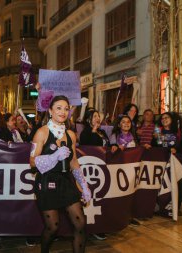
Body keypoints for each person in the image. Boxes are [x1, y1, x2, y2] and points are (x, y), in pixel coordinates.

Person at [30, 95, 91, 253]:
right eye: (59, 108)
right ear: (50, 111)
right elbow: (31, 161)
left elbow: (74, 162)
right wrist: (53, 156)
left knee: (80, 223)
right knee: (53, 227)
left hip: (65, 181)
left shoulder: (71, 135)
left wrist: (84, 185)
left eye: (66, 108)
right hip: (46, 181)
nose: (63, 112)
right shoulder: (42, 132)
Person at [78, 109, 108, 240]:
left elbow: (107, 145)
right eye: (94, 116)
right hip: (89, 169)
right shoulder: (85, 132)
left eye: (98, 116)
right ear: (89, 119)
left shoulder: (103, 132)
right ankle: (86, 228)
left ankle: (99, 226)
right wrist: (94, 130)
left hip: (102, 167)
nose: (97, 118)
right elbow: (88, 144)